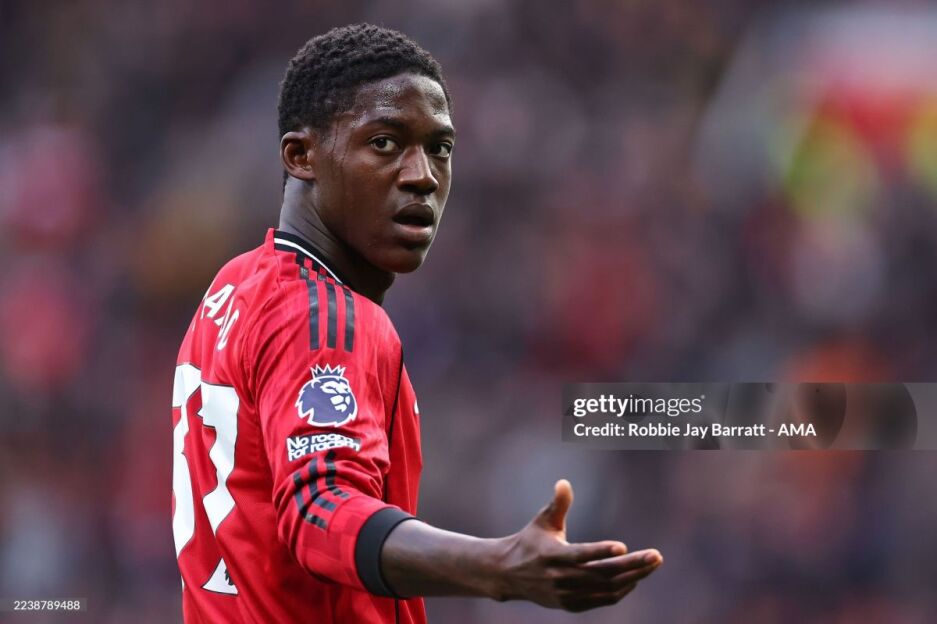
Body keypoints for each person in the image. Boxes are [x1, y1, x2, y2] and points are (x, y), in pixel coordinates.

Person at [171, 23, 663, 623]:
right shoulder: (324, 316)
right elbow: (319, 509)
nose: (423, 175)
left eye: (440, 148)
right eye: (385, 143)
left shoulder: (235, 287)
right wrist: (497, 565)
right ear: (301, 156)